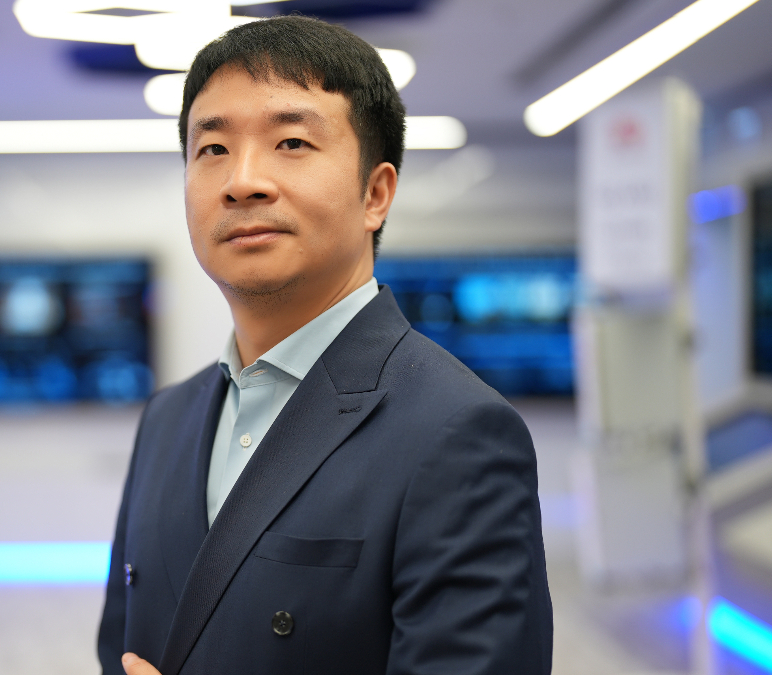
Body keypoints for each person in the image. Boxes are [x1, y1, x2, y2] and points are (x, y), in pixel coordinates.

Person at [98, 15, 552, 675]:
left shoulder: (456, 431)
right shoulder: (167, 418)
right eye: (213, 148)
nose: (242, 180)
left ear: (376, 194)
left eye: (291, 142)